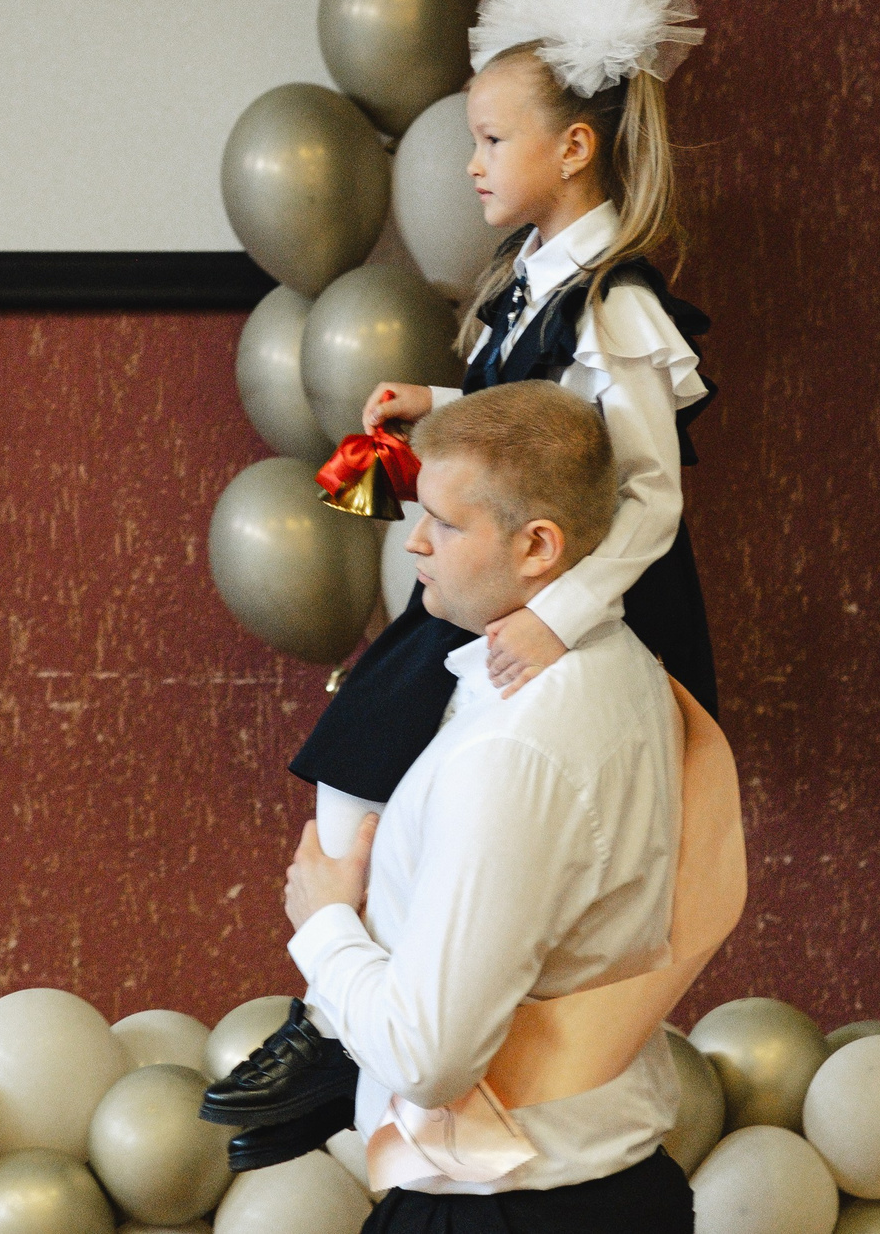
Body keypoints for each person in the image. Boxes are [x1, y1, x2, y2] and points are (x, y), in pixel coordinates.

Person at [205, 0, 717, 1167]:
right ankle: (351, 1003)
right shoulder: (530, 285)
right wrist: (436, 404)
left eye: (489, 140)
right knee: (367, 743)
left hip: (575, 593)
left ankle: (342, 1015)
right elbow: (537, 418)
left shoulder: (616, 306)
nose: (469, 162)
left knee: (371, 729)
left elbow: (649, 495)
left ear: (574, 149)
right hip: (523, 576)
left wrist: (557, 617)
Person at [284, 382, 696, 1231]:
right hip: (603, 1193)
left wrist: (324, 924)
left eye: (445, 522)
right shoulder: (624, 663)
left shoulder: (514, 748)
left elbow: (428, 1055)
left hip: (509, 1212)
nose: (416, 540)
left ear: (538, 545)